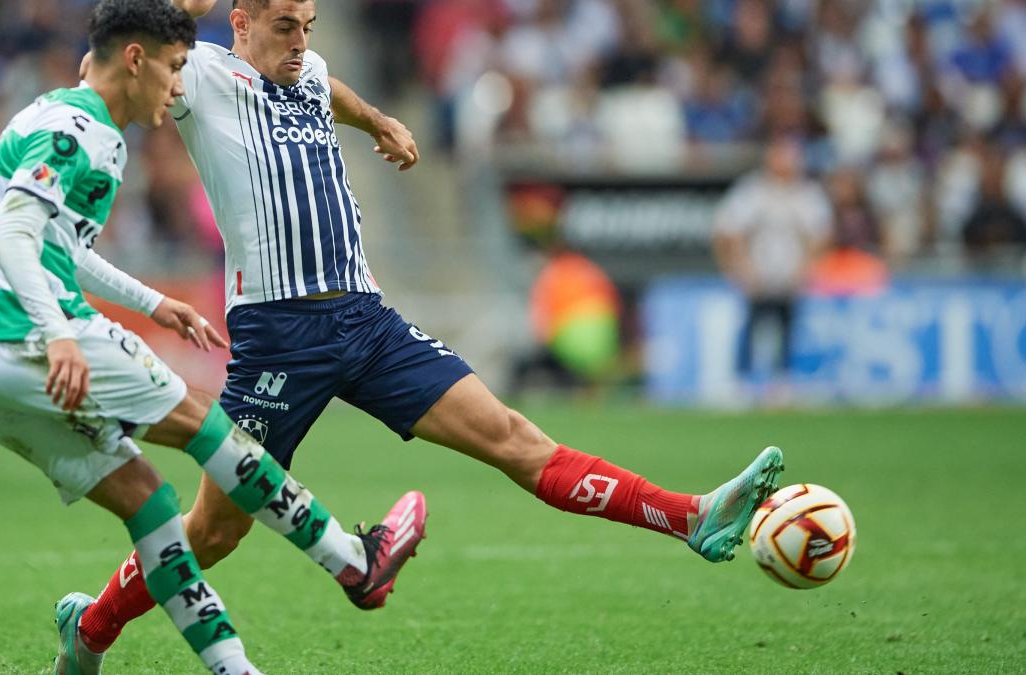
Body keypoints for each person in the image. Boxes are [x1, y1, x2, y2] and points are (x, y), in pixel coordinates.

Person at [69, 0, 786, 667]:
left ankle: (691, 516)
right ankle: (92, 626)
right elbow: (138, 29)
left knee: (514, 437)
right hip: (277, 337)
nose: (301, 43)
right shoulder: (196, 75)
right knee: (215, 531)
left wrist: (378, 120)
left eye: (310, 25)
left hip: (366, 318)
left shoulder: (310, 71)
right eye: (285, 26)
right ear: (242, 22)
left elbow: (331, 89)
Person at [0, 3, 424, 674]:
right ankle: (352, 561)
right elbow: (13, 231)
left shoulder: (64, 118)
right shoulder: (80, 129)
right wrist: (56, 334)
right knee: (216, 430)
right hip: (22, 330)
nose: (178, 87)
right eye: (172, 69)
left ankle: (193, 662)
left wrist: (151, 301)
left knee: (152, 503)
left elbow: (58, 244)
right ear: (134, 60)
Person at [713, 136, 831, 387]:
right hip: (758, 275)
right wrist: (740, 268)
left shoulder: (806, 194)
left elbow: (820, 235)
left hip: (789, 277)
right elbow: (728, 232)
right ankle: (743, 381)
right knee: (752, 327)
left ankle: (783, 382)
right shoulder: (752, 191)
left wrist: (805, 269)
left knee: (787, 329)